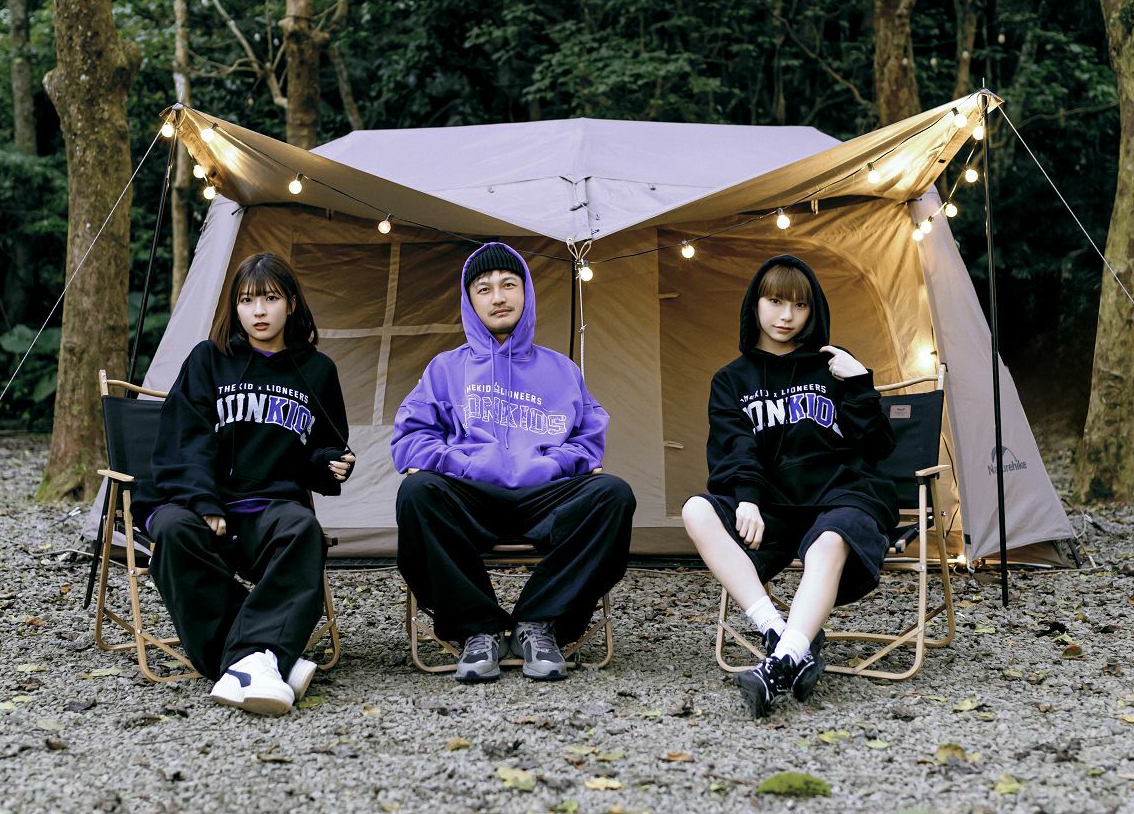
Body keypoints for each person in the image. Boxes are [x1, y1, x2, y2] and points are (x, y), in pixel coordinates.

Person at [392, 242, 635, 683]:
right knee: (417, 493)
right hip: (471, 493)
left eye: (509, 285)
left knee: (613, 495)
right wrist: (458, 463)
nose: (498, 297)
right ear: (470, 301)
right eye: (484, 289)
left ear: (526, 293)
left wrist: (555, 463)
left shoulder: (561, 369)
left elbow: (588, 437)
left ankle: (538, 623)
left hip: (544, 493)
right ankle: (479, 628)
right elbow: (411, 437)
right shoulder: (445, 369)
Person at [135, 252, 355, 716]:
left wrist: (330, 464)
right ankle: (268, 658)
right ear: (234, 307)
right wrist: (203, 500)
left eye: (270, 299)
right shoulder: (208, 359)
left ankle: (250, 662)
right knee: (172, 531)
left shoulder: (317, 370)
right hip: (200, 501)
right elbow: (186, 436)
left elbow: (323, 448)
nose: (258, 311)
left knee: (303, 531)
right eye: (247, 300)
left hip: (271, 504)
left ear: (290, 304)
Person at [681, 253, 896, 718]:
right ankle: (779, 635)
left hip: (841, 495)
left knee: (830, 538)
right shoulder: (731, 380)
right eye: (776, 302)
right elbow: (736, 446)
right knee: (696, 509)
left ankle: (779, 663)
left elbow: (878, 446)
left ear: (812, 310)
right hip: (773, 506)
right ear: (755, 304)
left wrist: (859, 383)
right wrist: (748, 498)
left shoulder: (832, 366)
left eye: (799, 305)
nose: (786, 316)